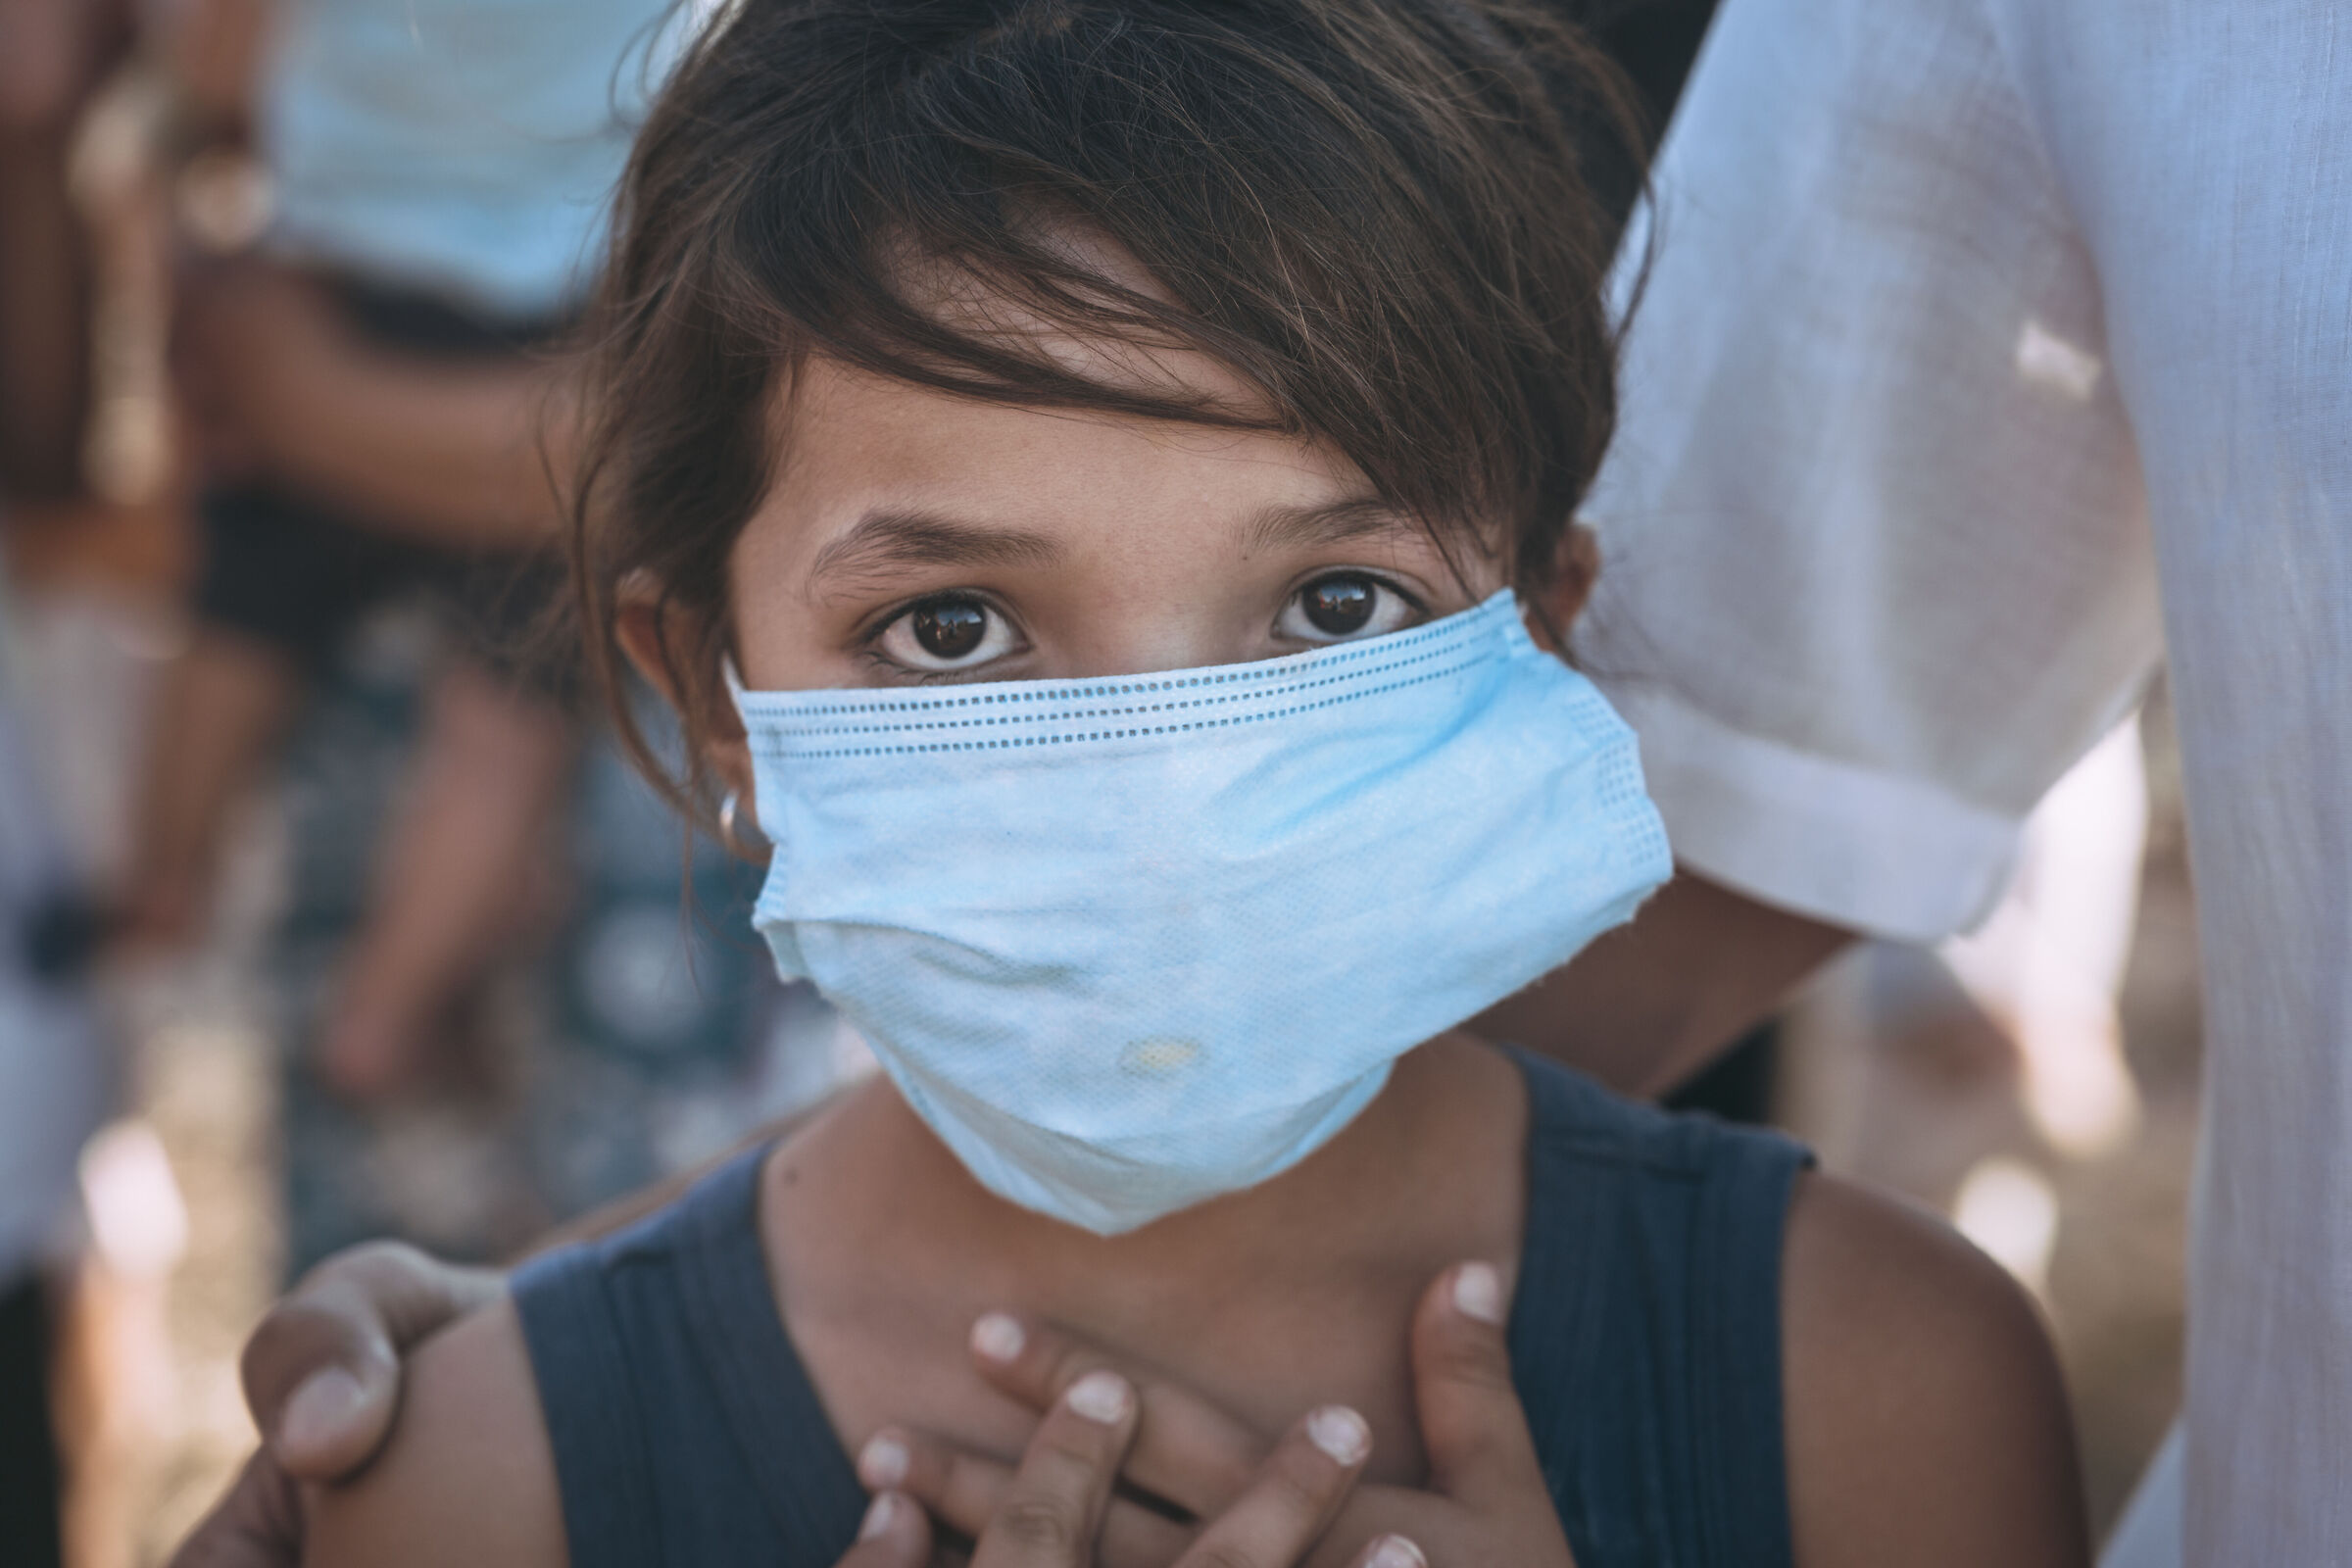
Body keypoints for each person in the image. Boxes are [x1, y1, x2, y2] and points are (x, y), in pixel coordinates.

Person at [181, 0, 2089, 1563]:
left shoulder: (1881, 1388)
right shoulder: (478, 1482)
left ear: (1544, 627)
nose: (1166, 786)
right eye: (953, 629)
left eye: (1335, 603)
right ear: (715, 697)